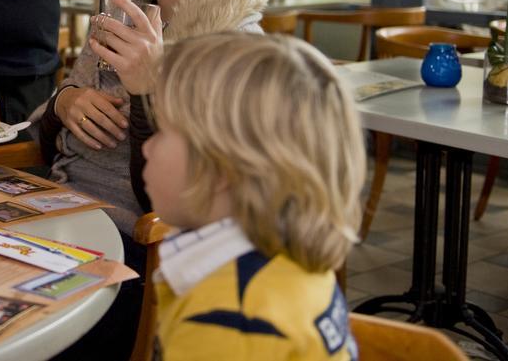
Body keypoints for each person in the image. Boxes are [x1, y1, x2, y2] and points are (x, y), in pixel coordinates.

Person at [31, 0, 275, 359]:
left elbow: (189, 205)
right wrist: (63, 104)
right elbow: (45, 144)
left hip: (139, 261)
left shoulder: (237, 50)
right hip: (55, 229)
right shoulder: (121, 16)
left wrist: (149, 89)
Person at [144, 32, 364, 360]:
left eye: (161, 131)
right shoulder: (286, 264)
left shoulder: (230, 323)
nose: (147, 147)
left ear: (221, 168)